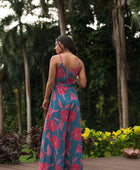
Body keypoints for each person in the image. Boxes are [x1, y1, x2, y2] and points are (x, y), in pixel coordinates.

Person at [39, 35, 87, 170]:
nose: (55, 48)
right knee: (72, 135)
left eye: (56, 45)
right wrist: (73, 76)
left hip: (58, 100)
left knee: (55, 134)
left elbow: (50, 82)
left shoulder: (55, 59)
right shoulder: (79, 62)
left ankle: (54, 166)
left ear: (62, 45)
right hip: (73, 99)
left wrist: (46, 98)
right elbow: (83, 84)